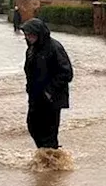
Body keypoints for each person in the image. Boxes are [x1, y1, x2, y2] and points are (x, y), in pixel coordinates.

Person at [22, 18, 73, 150]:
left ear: (40, 34)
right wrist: (30, 89)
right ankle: (45, 156)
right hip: (35, 97)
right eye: (26, 35)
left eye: (31, 34)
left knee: (49, 133)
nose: (28, 37)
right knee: (32, 125)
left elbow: (66, 73)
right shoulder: (32, 49)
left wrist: (49, 91)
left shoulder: (55, 48)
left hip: (52, 99)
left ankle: (52, 161)